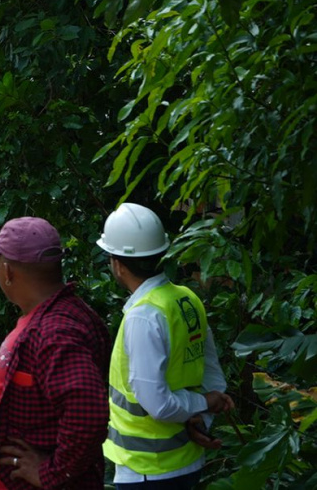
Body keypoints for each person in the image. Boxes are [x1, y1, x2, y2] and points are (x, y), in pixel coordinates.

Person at [0, 217, 110, 489]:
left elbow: (88, 414)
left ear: (7, 271)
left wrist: (50, 472)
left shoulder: (56, 333)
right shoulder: (52, 316)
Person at [98, 203, 232, 490]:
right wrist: (203, 418)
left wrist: (205, 403)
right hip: (185, 460)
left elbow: (157, 404)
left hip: (148, 470)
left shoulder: (143, 317)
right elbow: (212, 375)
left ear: (117, 264)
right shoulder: (186, 299)